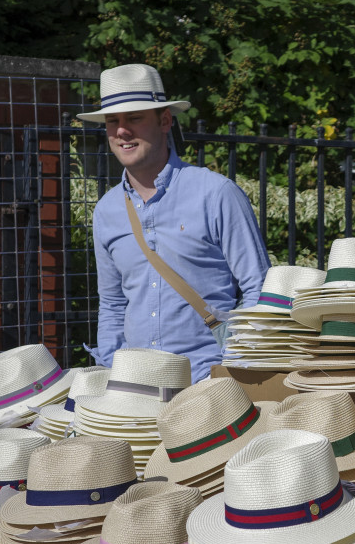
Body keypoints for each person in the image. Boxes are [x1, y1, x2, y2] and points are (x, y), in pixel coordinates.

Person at [78, 63, 269, 382]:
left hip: (209, 380)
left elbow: (258, 287)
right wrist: (114, 373)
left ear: (165, 120)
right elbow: (111, 305)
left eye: (135, 118)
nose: (122, 131)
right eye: (113, 121)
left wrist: (232, 362)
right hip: (137, 387)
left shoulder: (216, 194)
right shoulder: (107, 211)